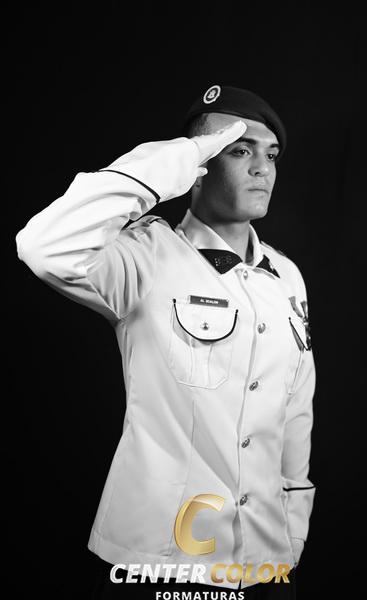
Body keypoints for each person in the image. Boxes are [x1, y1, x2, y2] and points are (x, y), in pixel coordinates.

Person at [15, 85, 316, 599]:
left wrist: (292, 535)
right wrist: (178, 156)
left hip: (265, 560)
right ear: (197, 164)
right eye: (239, 150)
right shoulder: (146, 256)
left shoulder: (285, 275)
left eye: (271, 155)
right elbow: (44, 246)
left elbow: (295, 410)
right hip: (160, 561)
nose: (262, 169)